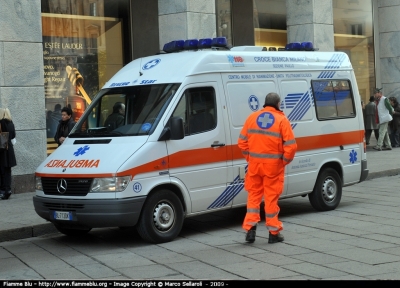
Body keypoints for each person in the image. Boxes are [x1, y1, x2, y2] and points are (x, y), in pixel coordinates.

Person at [238, 92, 297, 244]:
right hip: (273, 168)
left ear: (265, 103)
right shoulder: (281, 120)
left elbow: (242, 142)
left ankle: (250, 231)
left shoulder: (251, 118)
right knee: (271, 199)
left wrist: (250, 158)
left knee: (254, 197)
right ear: (278, 104)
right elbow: (291, 146)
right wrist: (283, 161)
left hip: (255, 167)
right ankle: (273, 233)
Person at [0, 108, 17, 200]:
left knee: (2, 171)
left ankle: (3, 191)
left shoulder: (2, 122)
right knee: (7, 171)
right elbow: (13, 136)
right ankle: (8, 190)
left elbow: (2, 137)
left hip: (2, 150)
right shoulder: (11, 123)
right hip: (9, 149)